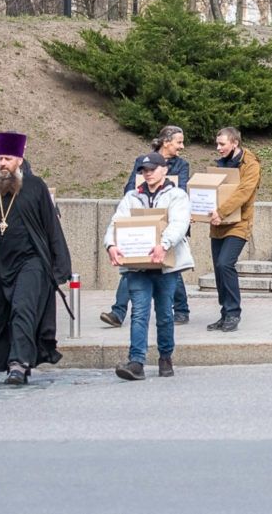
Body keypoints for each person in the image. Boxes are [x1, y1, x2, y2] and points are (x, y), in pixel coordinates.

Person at [0, 132, 72, 385]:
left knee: (22, 308)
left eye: (7, 158)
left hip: (32, 262)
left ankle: (17, 363)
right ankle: (15, 358)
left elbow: (52, 227)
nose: (2, 163)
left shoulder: (36, 186)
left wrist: (60, 265)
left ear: (19, 159)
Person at [103, 152, 193, 380]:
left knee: (164, 314)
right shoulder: (131, 197)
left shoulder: (177, 196)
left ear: (164, 170)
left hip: (165, 266)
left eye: (152, 169)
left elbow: (179, 224)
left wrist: (163, 244)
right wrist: (111, 245)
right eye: (144, 170)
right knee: (139, 313)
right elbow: (116, 222)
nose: (148, 173)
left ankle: (165, 357)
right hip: (138, 266)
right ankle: (136, 362)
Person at [103, 125, 193, 328]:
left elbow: (181, 188)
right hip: (141, 222)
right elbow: (130, 186)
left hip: (168, 224)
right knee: (134, 265)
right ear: (166, 141)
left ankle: (181, 309)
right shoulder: (142, 161)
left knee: (170, 267)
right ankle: (118, 311)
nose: (182, 146)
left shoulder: (181, 165)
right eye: (179, 141)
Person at [207, 126, 261, 332]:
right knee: (219, 270)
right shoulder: (221, 163)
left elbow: (244, 192)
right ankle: (224, 313)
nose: (218, 148)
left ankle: (233, 312)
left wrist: (220, 211)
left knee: (225, 264)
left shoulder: (251, 164)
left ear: (234, 143)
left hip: (239, 223)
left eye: (222, 144)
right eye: (217, 143)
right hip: (218, 224)